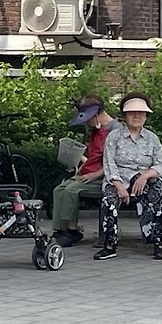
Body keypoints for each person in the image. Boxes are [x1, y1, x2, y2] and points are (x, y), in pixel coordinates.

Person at [96, 93, 162, 261]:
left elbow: (160, 165)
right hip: (118, 179)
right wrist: (119, 185)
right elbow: (109, 163)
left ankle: (158, 242)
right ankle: (109, 245)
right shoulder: (114, 137)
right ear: (124, 116)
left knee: (158, 192)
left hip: (142, 180)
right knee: (109, 200)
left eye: (141, 113)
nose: (137, 116)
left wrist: (145, 176)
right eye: (132, 113)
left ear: (146, 116)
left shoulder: (152, 139)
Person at [51, 95, 119, 247]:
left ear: (95, 115)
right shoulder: (96, 129)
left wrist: (95, 175)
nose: (86, 123)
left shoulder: (115, 130)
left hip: (104, 177)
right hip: (89, 173)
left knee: (71, 190)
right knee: (59, 190)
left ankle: (72, 232)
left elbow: (116, 162)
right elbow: (94, 156)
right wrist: (81, 164)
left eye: (87, 119)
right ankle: (60, 229)